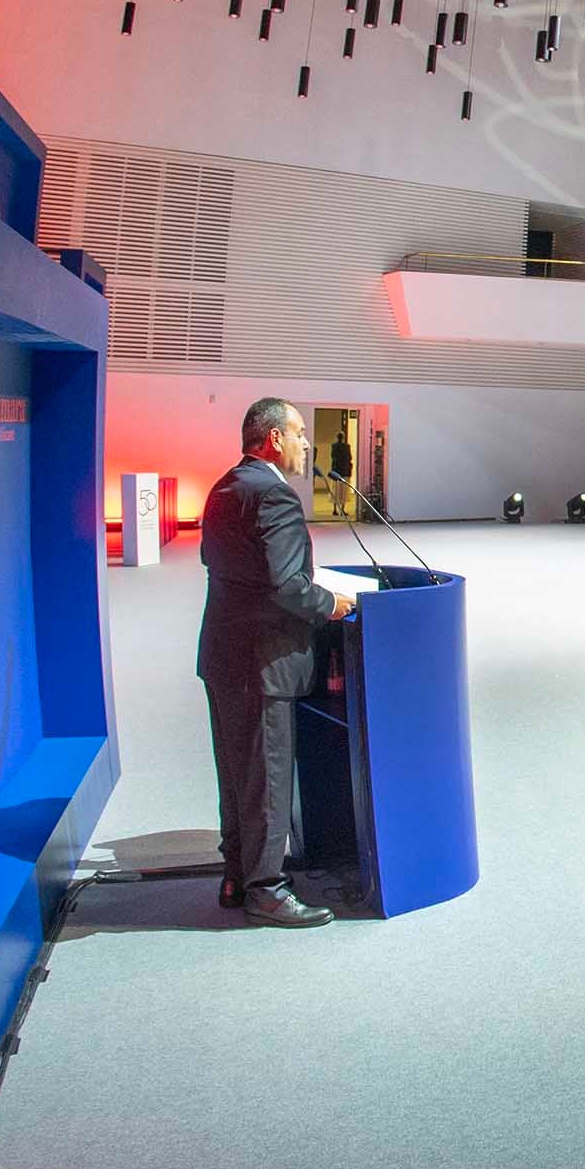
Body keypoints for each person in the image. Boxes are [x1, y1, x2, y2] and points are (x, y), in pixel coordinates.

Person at [198, 397, 354, 929]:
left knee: (236, 772)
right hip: (263, 659)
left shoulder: (226, 486)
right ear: (274, 439)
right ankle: (266, 889)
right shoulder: (275, 497)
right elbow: (287, 585)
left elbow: (232, 569)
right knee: (265, 775)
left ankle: (237, 873)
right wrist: (330, 603)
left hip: (223, 654)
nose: (307, 443)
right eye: (300, 433)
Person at [327, 422, 355, 518]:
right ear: (343, 438)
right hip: (345, 471)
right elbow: (349, 458)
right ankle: (342, 509)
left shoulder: (334, 446)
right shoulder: (347, 446)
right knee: (344, 491)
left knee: (335, 490)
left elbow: (332, 457)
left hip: (336, 471)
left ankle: (335, 509)